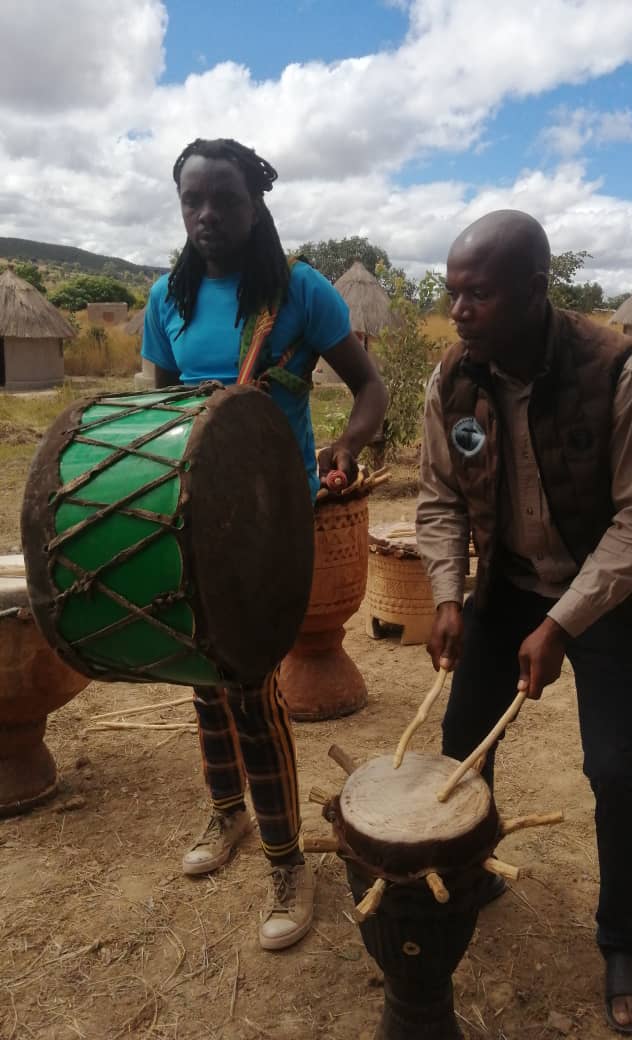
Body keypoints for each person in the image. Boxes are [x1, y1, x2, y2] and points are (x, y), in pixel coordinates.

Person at [415, 210, 632, 1034]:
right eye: (452, 292)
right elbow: (439, 499)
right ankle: (468, 874)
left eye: (479, 294)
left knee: (613, 768)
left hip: (615, 593)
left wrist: (563, 625)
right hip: (510, 586)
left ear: (536, 291)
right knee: (462, 747)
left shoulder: (620, 374)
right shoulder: (453, 381)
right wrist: (448, 596)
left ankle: (624, 943)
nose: (459, 311)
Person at [141, 138, 388, 950]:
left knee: (249, 682)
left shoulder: (298, 293)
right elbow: (158, 418)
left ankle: (286, 859)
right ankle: (227, 817)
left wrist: (346, 446)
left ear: (257, 204)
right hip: (189, 517)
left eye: (225, 201)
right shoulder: (165, 301)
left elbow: (370, 389)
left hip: (274, 518)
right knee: (201, 672)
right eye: (192, 202)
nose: (207, 216)